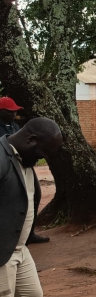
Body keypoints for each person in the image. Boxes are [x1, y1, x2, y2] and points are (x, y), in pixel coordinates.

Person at [0, 118, 62, 297]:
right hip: (2, 252)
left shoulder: (24, 159)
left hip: (20, 248)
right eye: (43, 152)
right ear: (31, 140)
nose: (44, 158)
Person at [0, 98, 50, 245]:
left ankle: (29, 233)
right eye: (9, 111)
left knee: (35, 195)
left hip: (23, 165)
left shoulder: (15, 126)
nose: (13, 113)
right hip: (7, 169)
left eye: (14, 110)